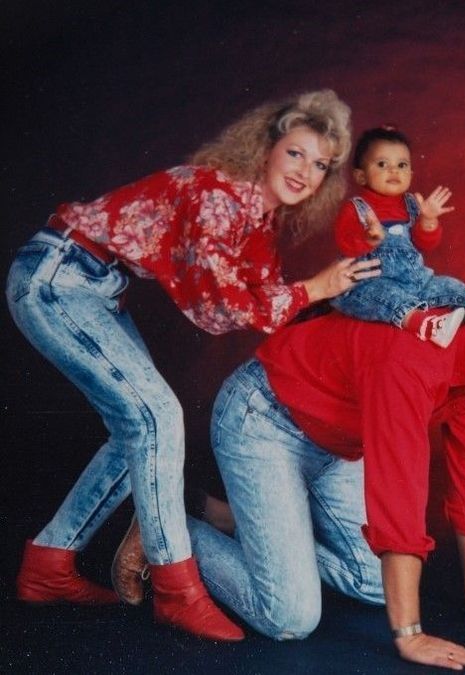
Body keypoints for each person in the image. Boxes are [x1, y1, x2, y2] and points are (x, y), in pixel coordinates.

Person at [6, 89, 379, 641]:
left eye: (322, 165)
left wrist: (348, 269)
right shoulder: (219, 194)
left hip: (96, 286)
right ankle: (177, 588)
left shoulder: (258, 222)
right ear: (267, 147)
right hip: (58, 276)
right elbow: (219, 311)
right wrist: (314, 286)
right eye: (296, 153)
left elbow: (273, 302)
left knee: (137, 428)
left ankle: (48, 565)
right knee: (157, 418)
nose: (306, 171)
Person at [179, 274, 465, 669]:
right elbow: (399, 493)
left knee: (376, 582)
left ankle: (228, 517)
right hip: (265, 418)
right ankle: (172, 531)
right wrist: (410, 635)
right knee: (288, 616)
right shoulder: (416, 355)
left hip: (338, 444)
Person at [331, 126, 465, 347]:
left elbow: (425, 243)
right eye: (382, 164)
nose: (394, 171)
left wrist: (428, 220)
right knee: (386, 298)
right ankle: (425, 324)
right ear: (360, 175)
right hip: (371, 283)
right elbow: (345, 245)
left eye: (402, 165)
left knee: (453, 287)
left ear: (410, 174)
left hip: (417, 282)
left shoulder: (413, 204)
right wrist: (368, 239)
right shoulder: (356, 208)